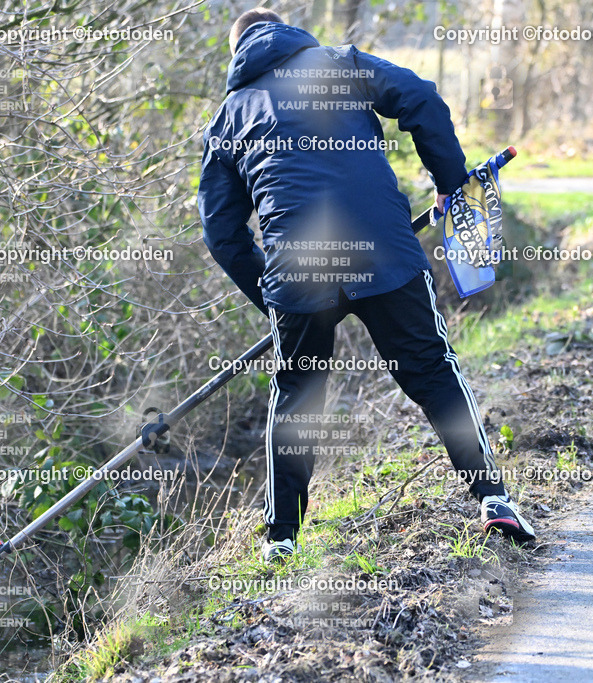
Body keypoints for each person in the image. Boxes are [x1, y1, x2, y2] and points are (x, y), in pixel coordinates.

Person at [198, 7, 535, 562]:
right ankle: (493, 497)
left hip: (298, 276)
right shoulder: (337, 63)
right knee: (432, 372)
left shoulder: (229, 117)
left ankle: (280, 541)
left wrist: (274, 299)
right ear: (285, 32)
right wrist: (451, 183)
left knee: (298, 400)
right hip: (386, 254)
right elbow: (421, 97)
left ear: (236, 54)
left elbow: (222, 234)